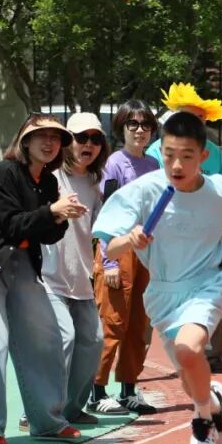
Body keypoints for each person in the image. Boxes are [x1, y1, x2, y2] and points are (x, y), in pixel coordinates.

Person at [94, 111, 222, 444]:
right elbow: (109, 247)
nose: (176, 164)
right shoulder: (144, 190)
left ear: (203, 156)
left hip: (205, 283)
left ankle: (202, 422)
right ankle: (213, 403)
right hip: (163, 293)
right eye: (169, 154)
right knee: (190, 379)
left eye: (186, 156)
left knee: (189, 350)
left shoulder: (219, 189)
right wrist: (130, 240)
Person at [0, 114, 89, 444]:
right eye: (41, 136)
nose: (49, 143)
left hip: (21, 263)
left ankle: (47, 421)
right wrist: (53, 212)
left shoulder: (47, 181)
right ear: (25, 141)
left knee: (47, 339)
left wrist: (60, 217)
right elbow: (13, 225)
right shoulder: (5, 173)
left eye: (55, 137)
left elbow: (47, 234)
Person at [148, 83, 222, 374]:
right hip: (168, 236)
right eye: (191, 116)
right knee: (162, 295)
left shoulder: (214, 152)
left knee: (209, 291)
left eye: (201, 118)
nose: (197, 122)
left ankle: (213, 356)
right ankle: (156, 361)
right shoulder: (157, 150)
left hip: (204, 236)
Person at [28, 112, 108, 431]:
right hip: (48, 278)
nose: (89, 144)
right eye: (81, 137)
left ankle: (72, 409)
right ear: (68, 142)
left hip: (81, 279)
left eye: (96, 139)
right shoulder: (50, 177)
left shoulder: (95, 183)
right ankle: (38, 412)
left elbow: (102, 228)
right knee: (64, 338)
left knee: (94, 341)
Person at [91, 100, 161, 416]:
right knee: (112, 322)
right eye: (133, 124)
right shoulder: (114, 164)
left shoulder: (153, 166)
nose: (139, 130)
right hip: (119, 250)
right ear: (122, 128)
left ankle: (129, 389)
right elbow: (106, 214)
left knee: (138, 324)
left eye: (145, 125)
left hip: (146, 252)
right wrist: (108, 260)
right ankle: (96, 391)